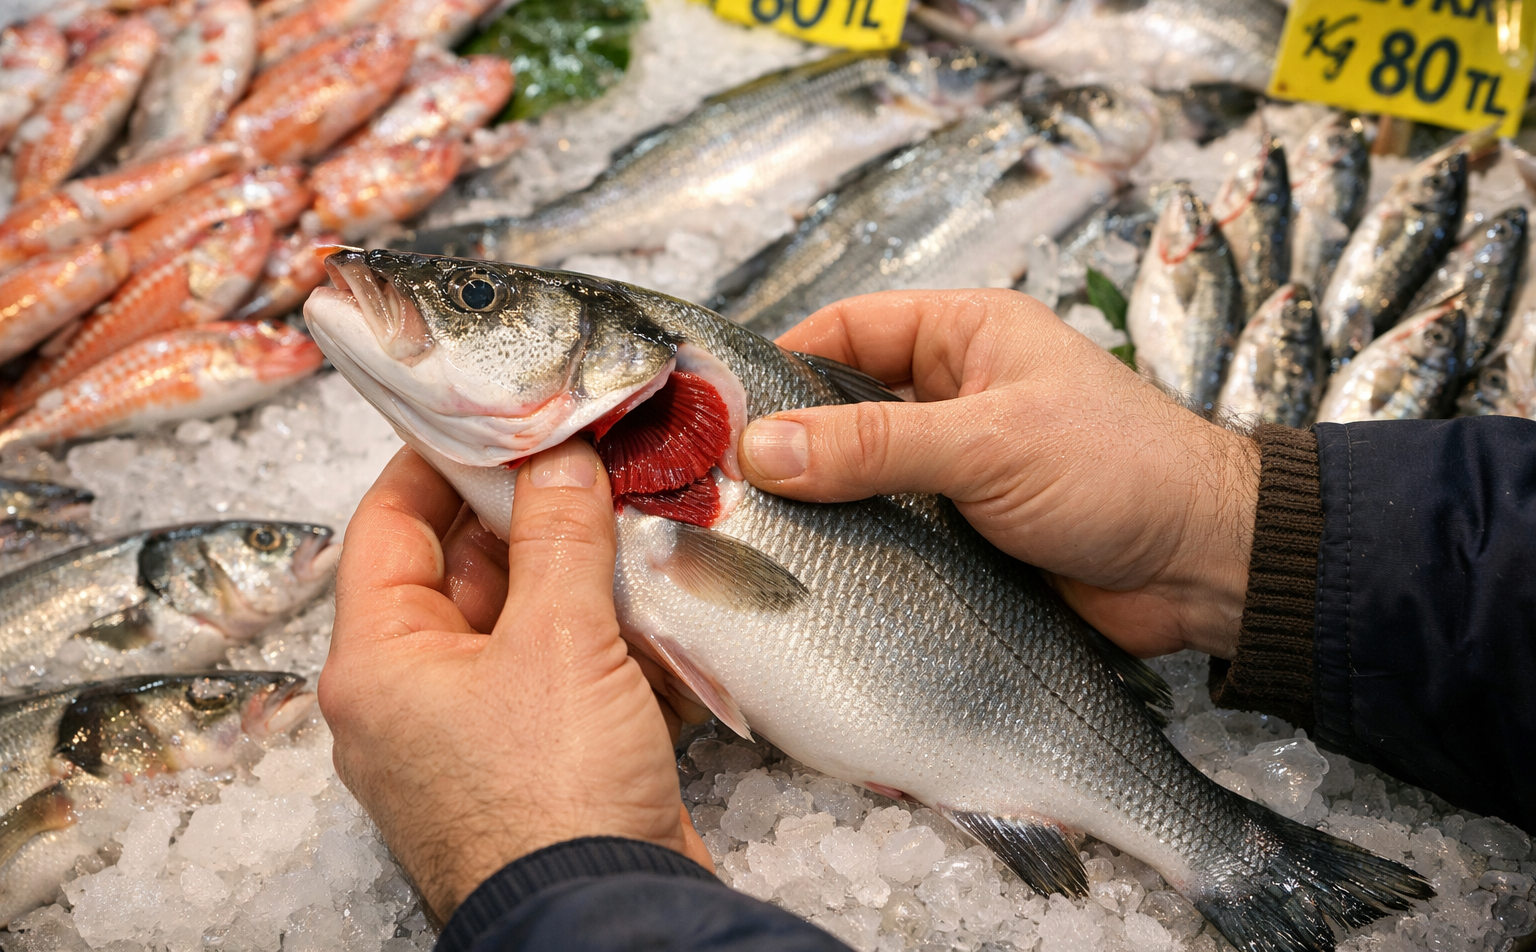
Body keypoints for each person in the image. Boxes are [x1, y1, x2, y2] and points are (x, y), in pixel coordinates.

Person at [317, 289, 1536, 952]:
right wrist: (1236, 532)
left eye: (476, 301)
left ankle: (1234, 855)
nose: (433, 306)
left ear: (633, 379)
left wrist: (533, 864)